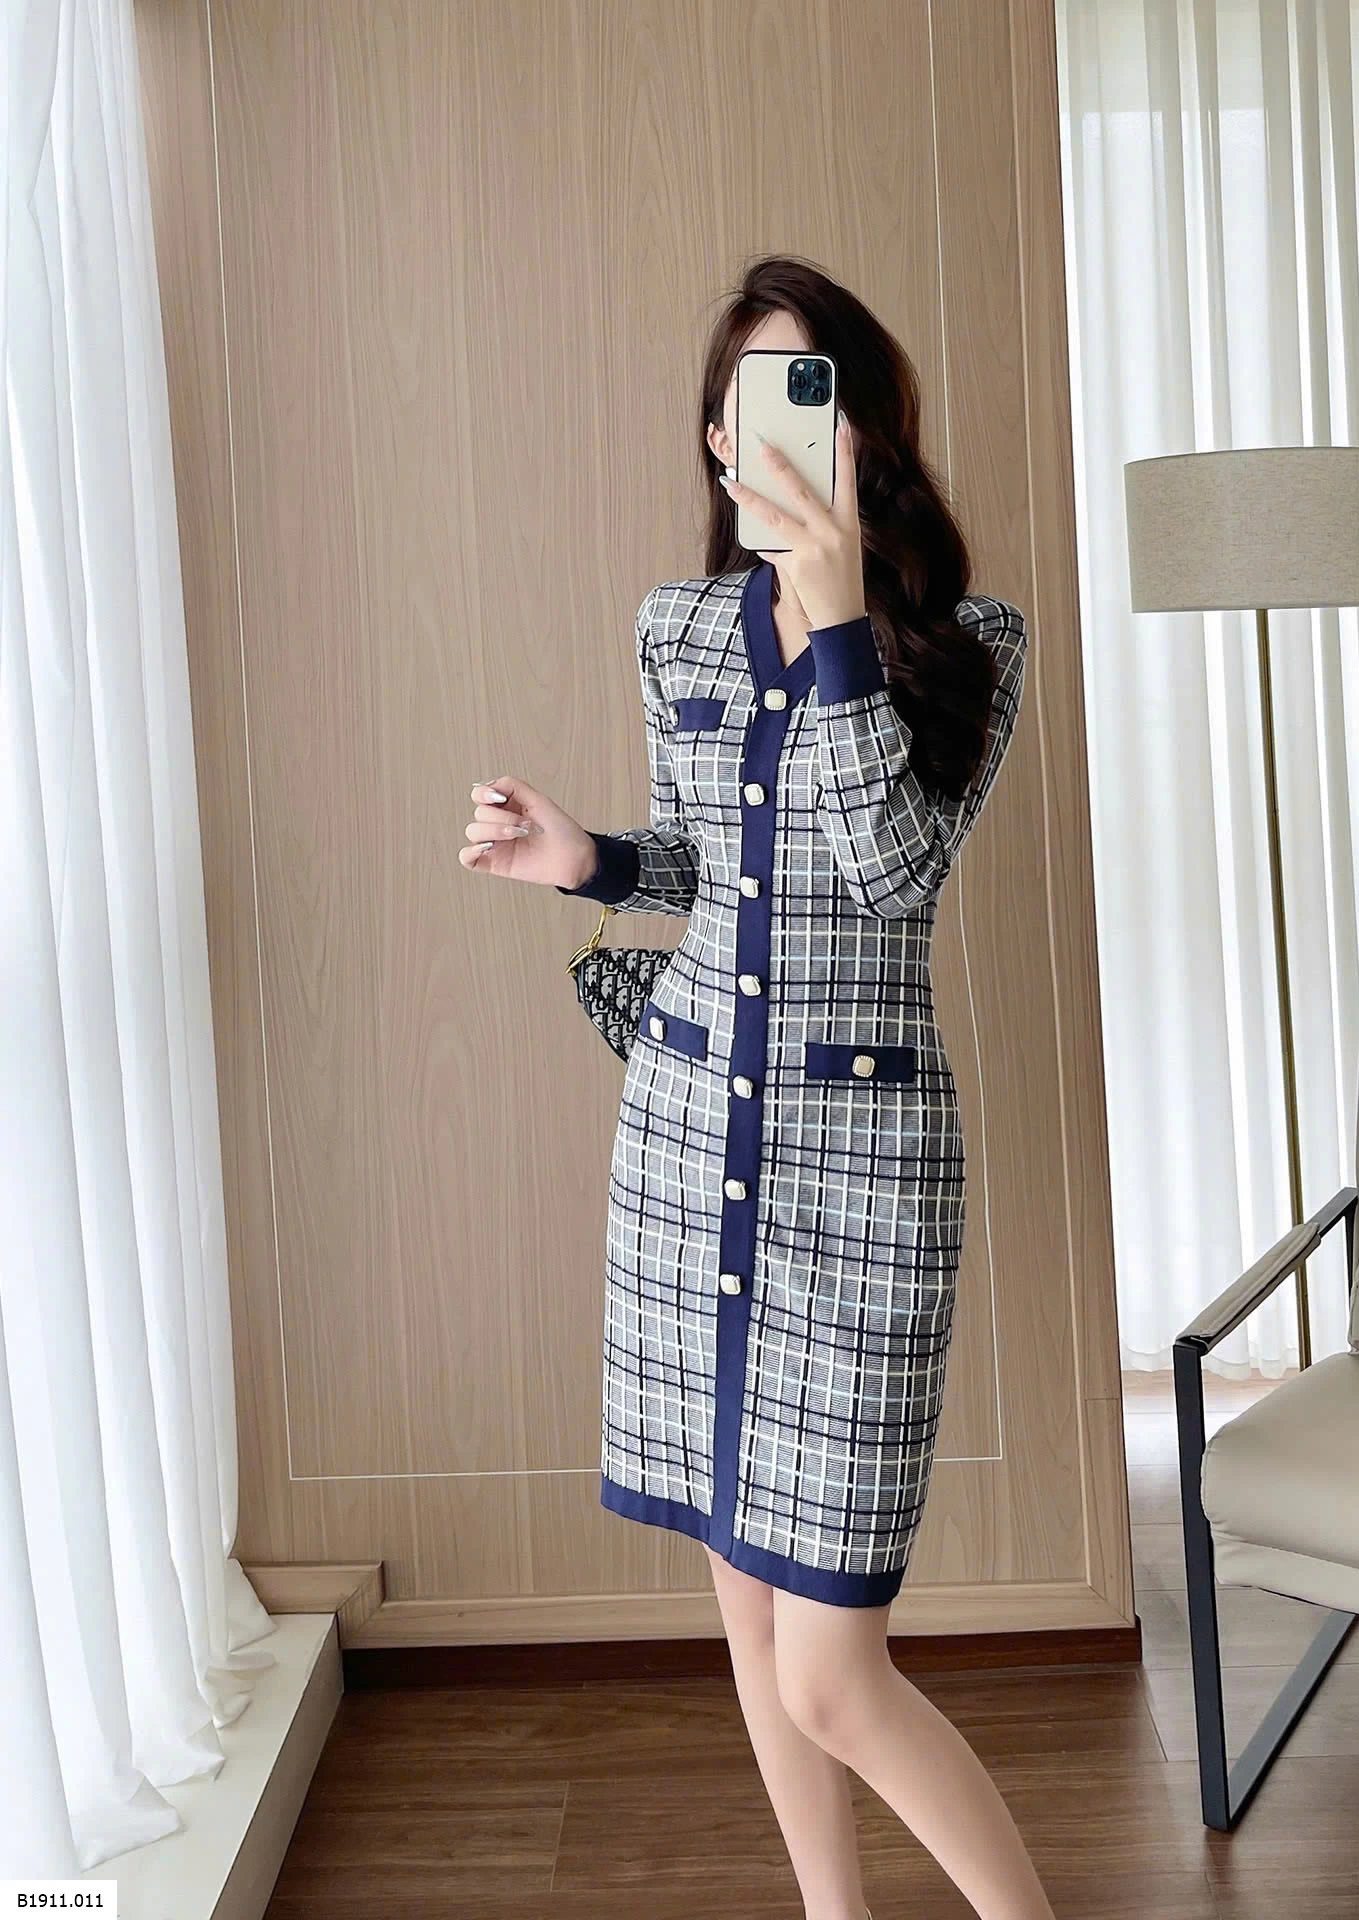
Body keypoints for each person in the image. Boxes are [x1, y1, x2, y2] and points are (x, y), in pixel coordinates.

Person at [459, 256, 1051, 1920]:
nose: (777, 428)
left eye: (813, 390)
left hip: (861, 1187)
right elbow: (708, 864)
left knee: (832, 1672)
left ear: (866, 426)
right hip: (685, 1153)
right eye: (749, 400)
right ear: (720, 439)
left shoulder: (971, 646)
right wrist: (586, 859)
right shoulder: (677, 628)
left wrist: (840, 611)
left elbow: (884, 871)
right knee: (744, 1612)